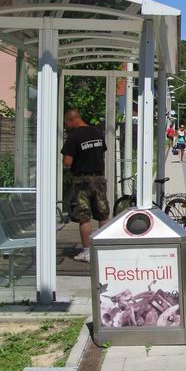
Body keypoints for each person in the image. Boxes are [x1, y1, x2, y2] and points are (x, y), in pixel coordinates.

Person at [61, 109, 109, 263]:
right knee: (102, 214)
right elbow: (102, 152)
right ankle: (102, 249)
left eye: (66, 123)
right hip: (99, 178)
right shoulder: (97, 132)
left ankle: (87, 252)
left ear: (71, 120)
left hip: (81, 180)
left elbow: (67, 162)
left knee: (84, 216)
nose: (67, 126)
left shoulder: (74, 136)